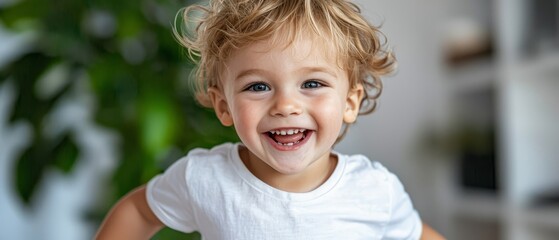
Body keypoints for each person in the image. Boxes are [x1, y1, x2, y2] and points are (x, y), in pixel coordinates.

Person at [96, 0, 445, 239]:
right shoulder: (204, 179)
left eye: (312, 83)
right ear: (224, 107)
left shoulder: (374, 191)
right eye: (258, 86)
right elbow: (139, 211)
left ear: (349, 102)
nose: (286, 105)